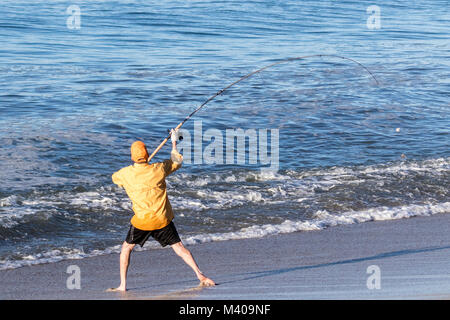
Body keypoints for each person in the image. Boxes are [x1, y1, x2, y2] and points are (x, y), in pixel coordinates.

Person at [109, 129, 215, 292]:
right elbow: (176, 162)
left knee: (126, 249)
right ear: (147, 154)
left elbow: (114, 178)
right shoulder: (158, 169)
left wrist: (137, 170)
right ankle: (200, 275)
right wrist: (174, 142)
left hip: (142, 221)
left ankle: (123, 285)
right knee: (179, 247)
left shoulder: (125, 174)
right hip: (162, 219)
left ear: (132, 157)